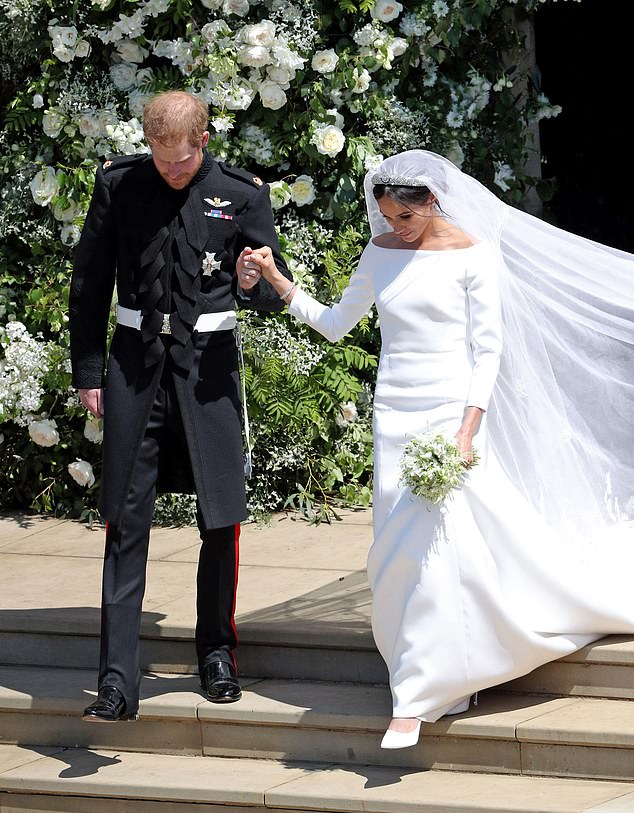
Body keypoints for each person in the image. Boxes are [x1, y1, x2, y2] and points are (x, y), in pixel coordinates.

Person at [237, 149, 634, 749]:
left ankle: (419, 695)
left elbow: (489, 349)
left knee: (440, 547)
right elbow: (336, 322)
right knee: (399, 551)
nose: (395, 226)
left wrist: (468, 430)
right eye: (387, 216)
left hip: (451, 413)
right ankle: (446, 673)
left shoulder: (473, 255)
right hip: (393, 414)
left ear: (433, 202)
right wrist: (275, 278)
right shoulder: (379, 254)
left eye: (405, 216)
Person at [69, 90, 292, 722]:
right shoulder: (119, 185)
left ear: (203, 141)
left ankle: (216, 652)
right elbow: (90, 281)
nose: (172, 169)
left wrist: (254, 284)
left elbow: (267, 295)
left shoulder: (243, 194)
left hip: (209, 373)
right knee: (124, 517)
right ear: (149, 143)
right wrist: (89, 369)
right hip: (135, 370)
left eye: (183, 158)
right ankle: (116, 680)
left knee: (221, 517)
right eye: (161, 157)